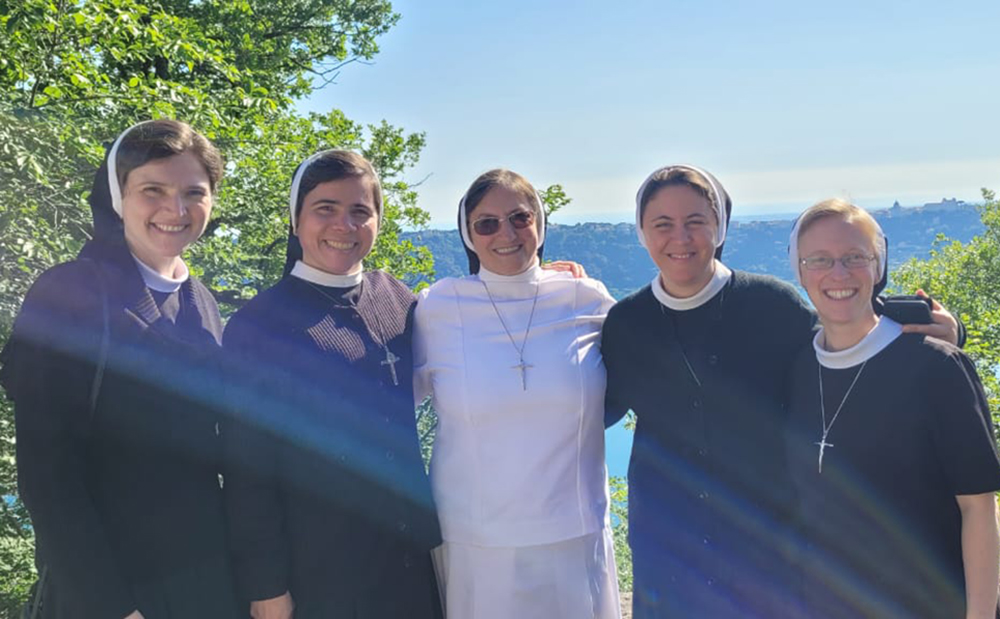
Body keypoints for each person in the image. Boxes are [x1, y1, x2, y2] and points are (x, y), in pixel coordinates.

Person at [600, 165, 962, 618]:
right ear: (642, 232)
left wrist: (943, 334)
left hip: (767, 557)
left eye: (696, 221)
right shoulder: (626, 323)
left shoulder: (773, 305)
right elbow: (580, 406)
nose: (681, 238)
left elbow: (848, 357)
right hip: (669, 554)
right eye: (662, 224)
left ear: (720, 227)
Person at [0, 120, 240, 618]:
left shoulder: (204, 303)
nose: (175, 210)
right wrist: (112, 605)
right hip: (108, 589)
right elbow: (46, 476)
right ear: (118, 196)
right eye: (152, 189)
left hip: (205, 581)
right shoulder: (70, 295)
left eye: (193, 192)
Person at [222, 150, 442, 619]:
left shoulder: (396, 296)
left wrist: (545, 283)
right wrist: (266, 586)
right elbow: (246, 468)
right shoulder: (260, 324)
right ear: (296, 218)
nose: (344, 224)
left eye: (360, 211)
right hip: (320, 569)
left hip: (407, 559)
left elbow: (470, 330)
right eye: (326, 208)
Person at [413, 169, 621, 619]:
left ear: (540, 224)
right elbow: (386, 398)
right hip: (476, 539)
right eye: (486, 223)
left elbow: (645, 368)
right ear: (468, 236)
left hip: (576, 531)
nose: (505, 233)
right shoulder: (437, 307)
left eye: (519, 218)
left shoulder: (586, 298)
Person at [785, 198, 1000, 618]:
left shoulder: (937, 366)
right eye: (820, 260)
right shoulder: (798, 368)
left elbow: (978, 507)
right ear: (800, 272)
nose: (839, 273)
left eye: (855, 257)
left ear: (878, 266)